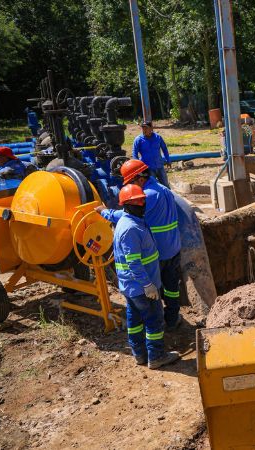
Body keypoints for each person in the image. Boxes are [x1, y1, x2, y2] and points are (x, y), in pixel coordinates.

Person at [98, 160, 183, 331]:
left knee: (154, 291)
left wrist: (104, 212)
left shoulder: (148, 195)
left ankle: (156, 326)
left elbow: (126, 216)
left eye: (130, 182)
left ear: (140, 179)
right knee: (172, 288)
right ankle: (173, 319)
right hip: (173, 248)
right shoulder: (163, 189)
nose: (131, 186)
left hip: (158, 253)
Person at [113, 183, 180, 370]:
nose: (142, 204)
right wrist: (148, 285)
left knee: (134, 321)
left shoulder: (131, 221)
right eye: (137, 202)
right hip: (142, 287)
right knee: (154, 320)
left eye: (143, 201)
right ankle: (157, 356)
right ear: (126, 205)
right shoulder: (130, 229)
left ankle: (140, 355)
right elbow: (133, 262)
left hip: (132, 287)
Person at [132, 121, 171, 188]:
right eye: (143, 128)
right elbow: (134, 153)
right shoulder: (138, 140)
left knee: (165, 185)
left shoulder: (158, 137)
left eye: (146, 128)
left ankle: (169, 197)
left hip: (159, 165)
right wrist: (137, 166)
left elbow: (164, 149)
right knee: (153, 186)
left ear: (151, 128)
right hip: (148, 168)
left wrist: (168, 159)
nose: (144, 130)